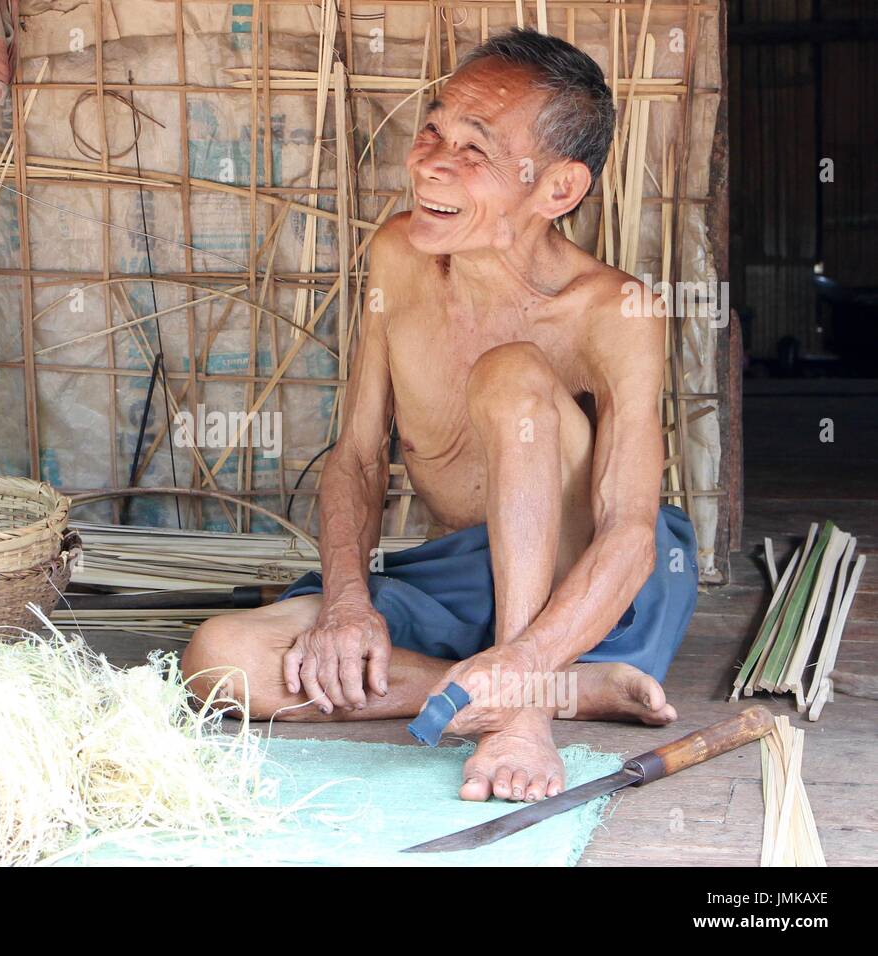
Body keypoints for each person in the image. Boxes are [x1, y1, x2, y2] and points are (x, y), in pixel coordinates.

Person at [181, 28, 699, 804]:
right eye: (434, 129)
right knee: (221, 660)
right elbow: (356, 456)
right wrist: (348, 605)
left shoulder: (614, 312)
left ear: (557, 191)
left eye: (475, 150)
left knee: (513, 373)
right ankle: (565, 691)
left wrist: (527, 659)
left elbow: (628, 534)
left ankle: (523, 699)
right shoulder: (398, 259)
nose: (430, 162)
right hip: (461, 576)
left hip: (589, 596)